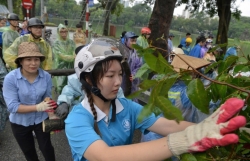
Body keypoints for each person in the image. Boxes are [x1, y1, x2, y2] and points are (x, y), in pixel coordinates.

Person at [64, 37, 246, 161]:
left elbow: (166, 125)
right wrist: (181, 141)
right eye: (110, 75)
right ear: (88, 79)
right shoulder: (76, 119)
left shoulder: (126, 107)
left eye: (120, 74)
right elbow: (105, 156)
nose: (118, 82)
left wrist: (206, 129)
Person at [3, 42, 57, 161]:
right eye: (28, 59)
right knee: (28, 151)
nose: (33, 63)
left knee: (46, 148)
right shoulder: (11, 78)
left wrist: (51, 115)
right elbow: (12, 106)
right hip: (19, 122)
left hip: (40, 119)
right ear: (20, 61)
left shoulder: (46, 76)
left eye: (36, 59)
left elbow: (47, 97)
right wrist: (38, 107)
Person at [52, 23, 76, 94]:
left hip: (71, 66)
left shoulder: (71, 42)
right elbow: (60, 55)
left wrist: (74, 57)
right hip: (60, 66)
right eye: (61, 32)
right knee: (61, 85)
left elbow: (75, 51)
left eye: (65, 31)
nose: (64, 33)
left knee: (70, 84)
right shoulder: (56, 43)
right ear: (58, 32)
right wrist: (72, 57)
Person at [123, 31, 143, 99]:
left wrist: (134, 74)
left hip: (133, 82)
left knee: (132, 98)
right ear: (126, 40)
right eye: (132, 41)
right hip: (122, 81)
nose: (134, 43)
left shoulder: (137, 53)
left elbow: (139, 67)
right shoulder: (121, 51)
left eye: (135, 41)